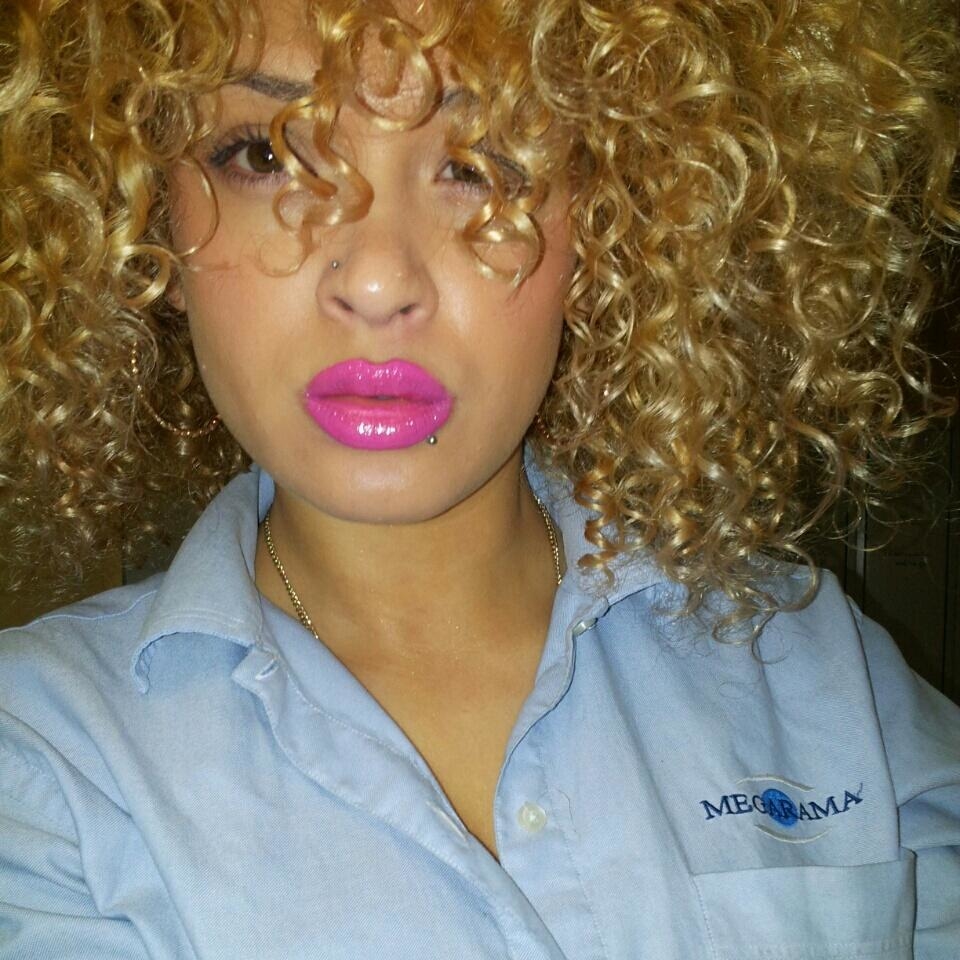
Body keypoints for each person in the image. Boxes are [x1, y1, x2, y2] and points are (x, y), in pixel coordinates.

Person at [1, 0, 958, 957]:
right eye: (269, 155)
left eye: (480, 165)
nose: (377, 281)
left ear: (611, 221)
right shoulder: (45, 768)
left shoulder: (811, 664)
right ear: (148, 218)